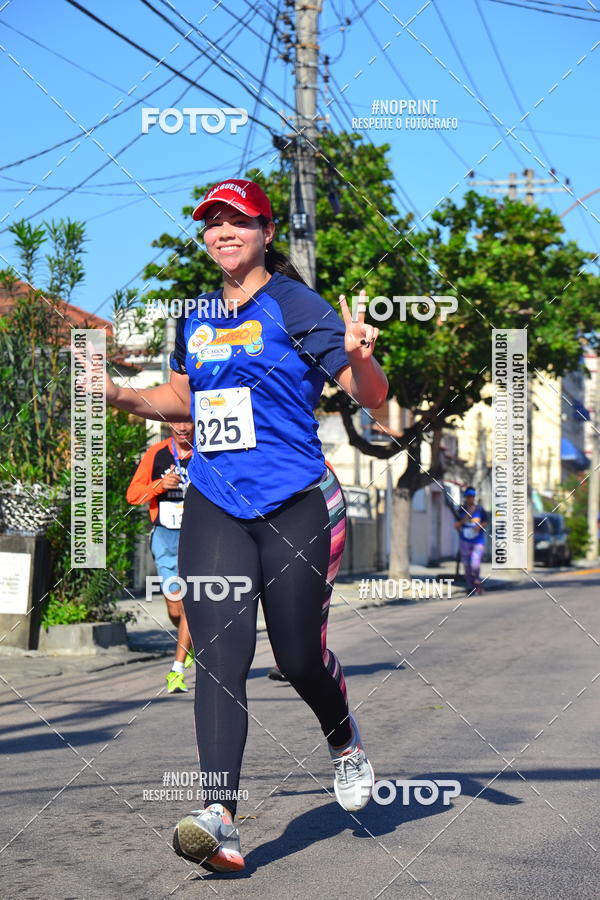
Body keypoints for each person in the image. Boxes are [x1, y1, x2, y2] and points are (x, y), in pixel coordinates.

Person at [103, 178, 388, 873]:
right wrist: (119, 394)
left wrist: (358, 356)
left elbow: (371, 398)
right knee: (219, 655)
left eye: (237, 221)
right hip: (216, 504)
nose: (223, 231)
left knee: (296, 659)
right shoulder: (194, 318)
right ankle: (219, 818)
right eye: (212, 222)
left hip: (295, 503)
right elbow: (183, 396)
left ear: (265, 233)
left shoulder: (299, 305)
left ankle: (345, 741)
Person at [126, 422, 194, 693]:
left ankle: (176, 670)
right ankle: (189, 642)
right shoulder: (156, 453)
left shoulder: (204, 454)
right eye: (176, 422)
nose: (181, 427)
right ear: (168, 425)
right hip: (165, 536)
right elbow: (133, 495)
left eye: (186, 421)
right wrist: (158, 485)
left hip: (197, 535)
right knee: (175, 609)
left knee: (191, 600)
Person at [454, 486, 488, 595]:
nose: (470, 498)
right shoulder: (461, 510)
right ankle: (471, 587)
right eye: (468, 496)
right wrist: (465, 519)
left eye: (472, 496)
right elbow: (456, 525)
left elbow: (486, 521)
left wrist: (479, 527)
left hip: (478, 541)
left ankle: (477, 581)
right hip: (465, 541)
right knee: (467, 566)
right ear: (465, 497)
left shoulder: (479, 509)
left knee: (475, 563)